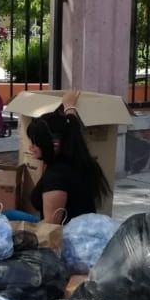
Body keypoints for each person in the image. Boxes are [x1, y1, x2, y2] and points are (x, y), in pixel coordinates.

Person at [26, 89, 111, 224]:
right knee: (10, 215)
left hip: (65, 239)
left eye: (35, 143)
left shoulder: (56, 176)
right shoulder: (76, 158)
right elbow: (72, 130)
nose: (31, 147)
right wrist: (70, 108)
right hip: (80, 230)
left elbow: (51, 226)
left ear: (54, 144)